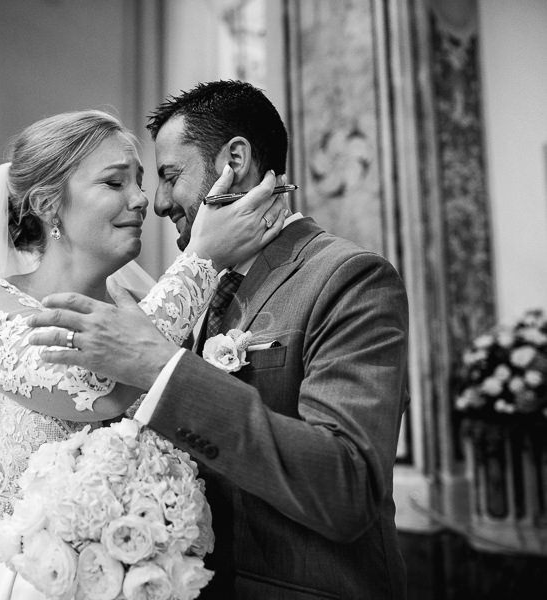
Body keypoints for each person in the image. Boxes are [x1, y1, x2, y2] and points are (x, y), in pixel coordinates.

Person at [0, 108, 287, 600]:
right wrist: (202, 258)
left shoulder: (144, 307)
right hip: (12, 579)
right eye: (115, 183)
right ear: (49, 203)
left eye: (140, 180)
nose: (141, 200)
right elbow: (92, 388)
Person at [28, 80, 410, 599]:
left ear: (236, 158)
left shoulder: (348, 278)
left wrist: (164, 370)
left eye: (169, 176)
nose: (157, 204)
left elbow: (347, 489)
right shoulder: (191, 284)